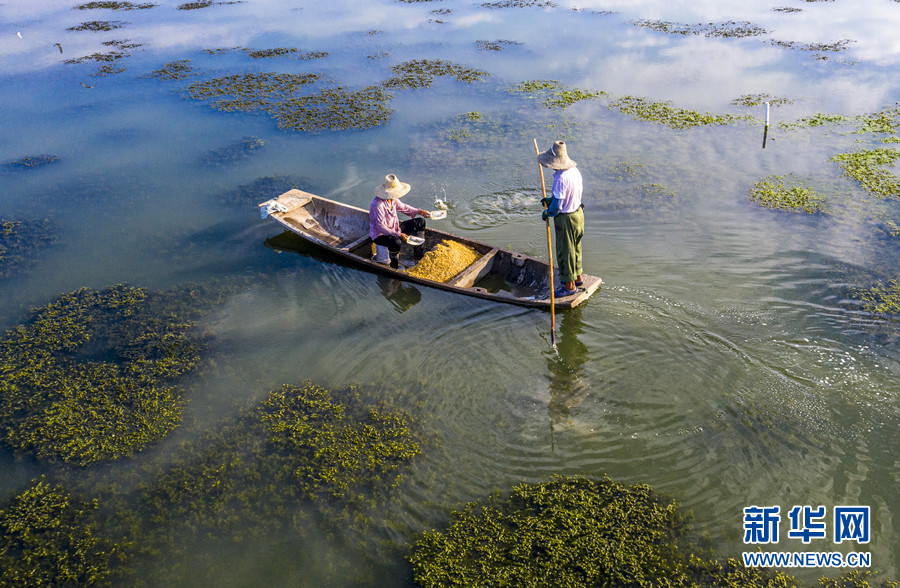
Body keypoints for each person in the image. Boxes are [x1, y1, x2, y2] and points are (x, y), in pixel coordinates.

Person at [538, 140, 584, 297]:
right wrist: (551, 199)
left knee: (565, 251)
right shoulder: (575, 171)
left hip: (566, 219)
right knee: (575, 248)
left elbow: (558, 207)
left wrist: (548, 212)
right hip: (578, 214)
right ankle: (578, 278)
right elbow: (568, 195)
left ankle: (570, 287)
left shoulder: (560, 178)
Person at [369, 173, 431, 269]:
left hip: (394, 228)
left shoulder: (392, 199)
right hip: (380, 235)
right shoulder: (378, 205)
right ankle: (394, 265)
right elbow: (381, 227)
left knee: (420, 222)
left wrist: (420, 211)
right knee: (396, 242)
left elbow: (404, 207)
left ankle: (418, 253)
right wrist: (398, 234)